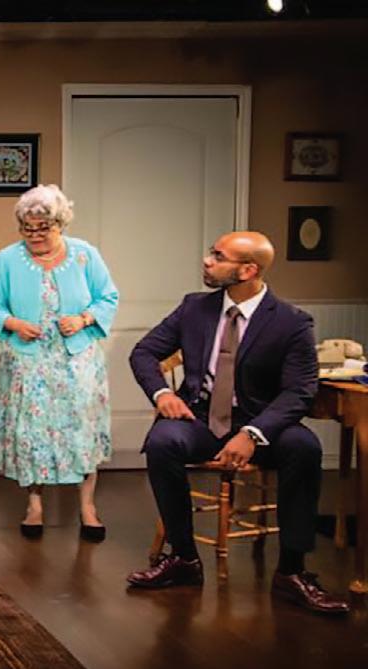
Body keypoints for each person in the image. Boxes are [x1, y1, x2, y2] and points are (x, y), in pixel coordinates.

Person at [126, 231, 348, 615]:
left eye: (218, 256)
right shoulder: (194, 307)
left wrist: (253, 433)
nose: (207, 260)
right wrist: (163, 394)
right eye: (211, 252)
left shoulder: (292, 322)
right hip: (199, 417)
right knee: (163, 442)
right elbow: (144, 352)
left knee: (304, 447)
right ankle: (183, 558)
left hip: (260, 421)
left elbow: (299, 391)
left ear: (248, 270)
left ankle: (292, 571)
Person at [0, 185, 119, 541]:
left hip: (77, 361)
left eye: (44, 227)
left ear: (60, 224)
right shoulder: (7, 259)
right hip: (28, 361)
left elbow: (108, 297)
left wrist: (84, 319)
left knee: (82, 431)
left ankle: (88, 508)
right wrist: (14, 323)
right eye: (28, 228)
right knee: (32, 433)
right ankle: (34, 506)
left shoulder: (85, 255)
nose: (35, 235)